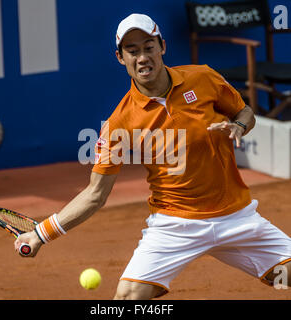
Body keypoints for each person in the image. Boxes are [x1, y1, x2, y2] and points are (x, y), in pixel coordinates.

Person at [15, 13, 291, 299]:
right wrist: (41, 233)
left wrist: (239, 126)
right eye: (132, 51)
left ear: (163, 48)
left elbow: (244, 111)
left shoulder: (204, 78)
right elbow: (95, 194)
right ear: (121, 58)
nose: (142, 57)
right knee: (128, 297)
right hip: (174, 224)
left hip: (236, 217)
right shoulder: (119, 123)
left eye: (149, 47)